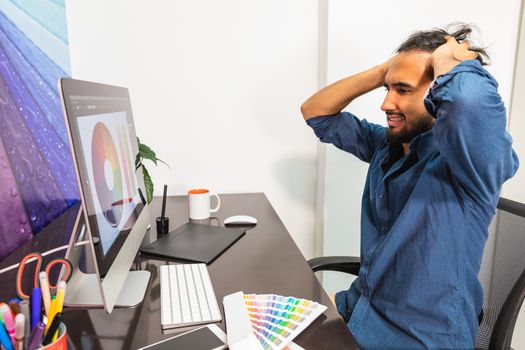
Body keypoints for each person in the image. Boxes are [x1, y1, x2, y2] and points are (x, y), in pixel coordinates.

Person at [301, 24, 519, 349]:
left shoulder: (470, 165)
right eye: (387, 89)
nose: (386, 103)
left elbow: (470, 102)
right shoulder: (386, 144)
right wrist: (382, 72)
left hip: (419, 337)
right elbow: (317, 113)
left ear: (438, 93)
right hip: (365, 307)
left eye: (403, 90)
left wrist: (450, 61)